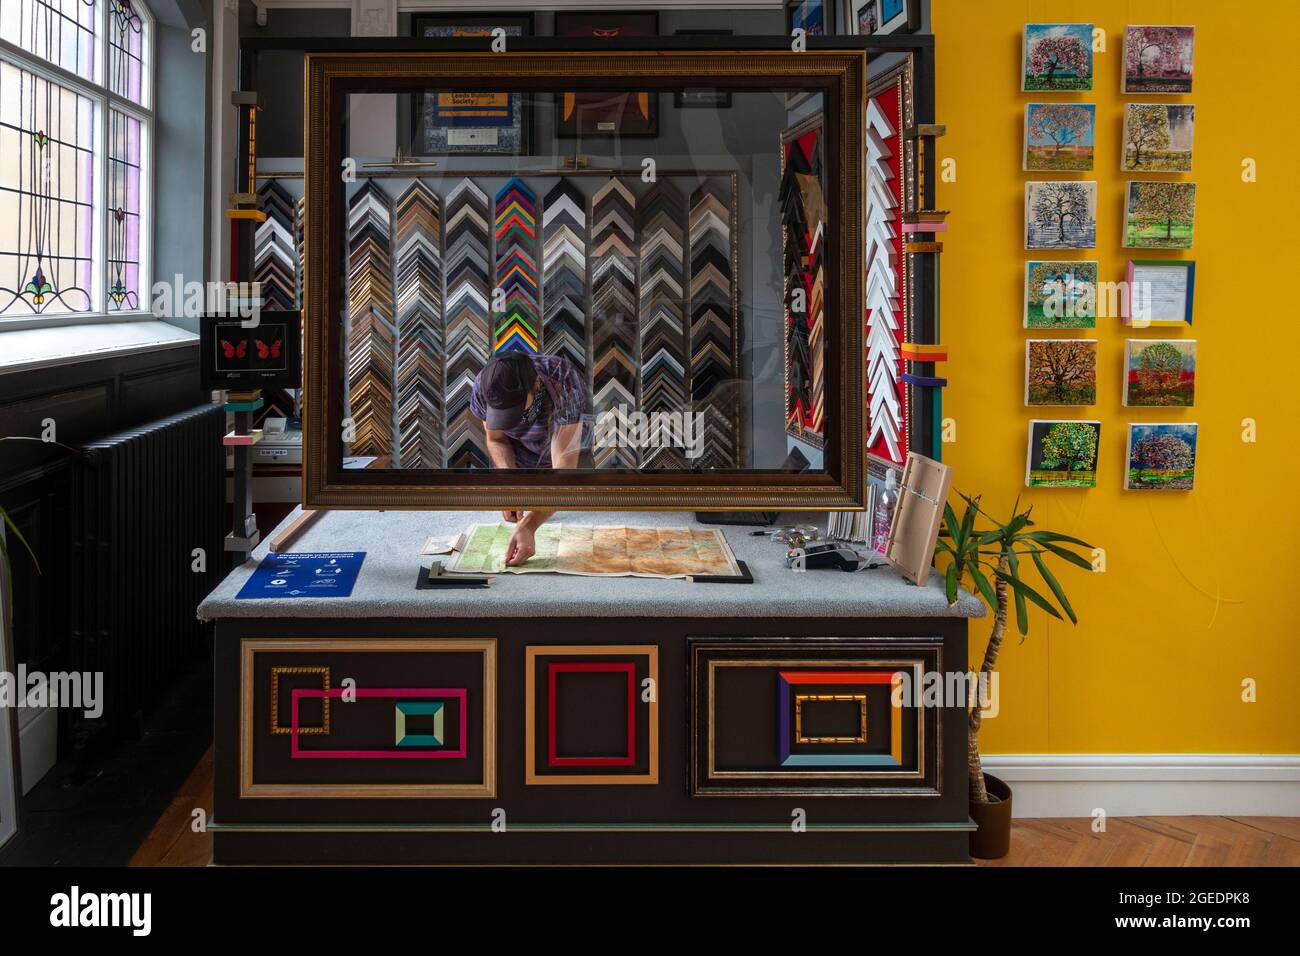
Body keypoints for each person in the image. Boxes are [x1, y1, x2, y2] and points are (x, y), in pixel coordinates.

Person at [470, 352, 587, 566]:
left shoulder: (563, 378)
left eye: (515, 409)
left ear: (536, 383)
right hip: (518, 458)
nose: (510, 420)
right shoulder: (482, 386)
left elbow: (562, 470)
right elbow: (496, 439)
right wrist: (510, 484)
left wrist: (529, 525)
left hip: (564, 452)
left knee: (583, 516)